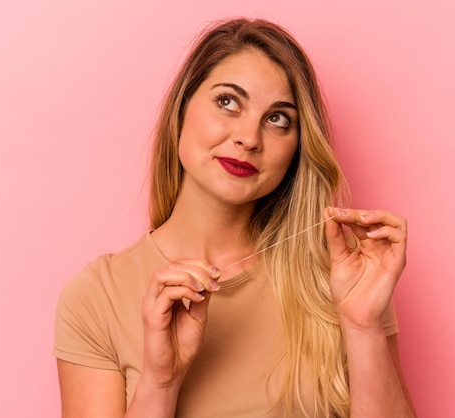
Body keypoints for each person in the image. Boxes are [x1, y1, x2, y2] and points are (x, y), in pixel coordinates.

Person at [54, 18, 416, 417]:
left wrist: (363, 327)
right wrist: (161, 382)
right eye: (228, 102)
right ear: (181, 110)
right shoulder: (97, 296)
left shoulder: (342, 275)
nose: (249, 137)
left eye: (278, 118)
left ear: (297, 149)